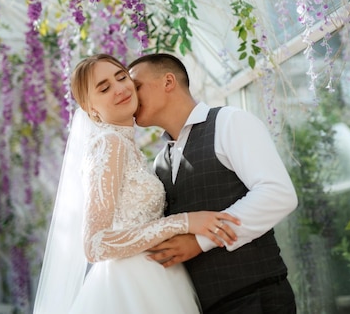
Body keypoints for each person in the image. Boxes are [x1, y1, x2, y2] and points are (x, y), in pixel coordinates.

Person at [33, 54, 240, 314]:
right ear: (91, 109)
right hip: (131, 283)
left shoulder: (130, 148)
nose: (120, 88)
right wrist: (184, 221)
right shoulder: (110, 143)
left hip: (160, 275)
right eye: (104, 88)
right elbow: (95, 245)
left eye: (121, 77)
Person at [128, 53, 299, 314]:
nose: (129, 95)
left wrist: (199, 241)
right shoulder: (160, 163)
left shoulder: (230, 122)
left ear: (168, 81)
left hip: (257, 298)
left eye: (136, 86)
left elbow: (278, 195)